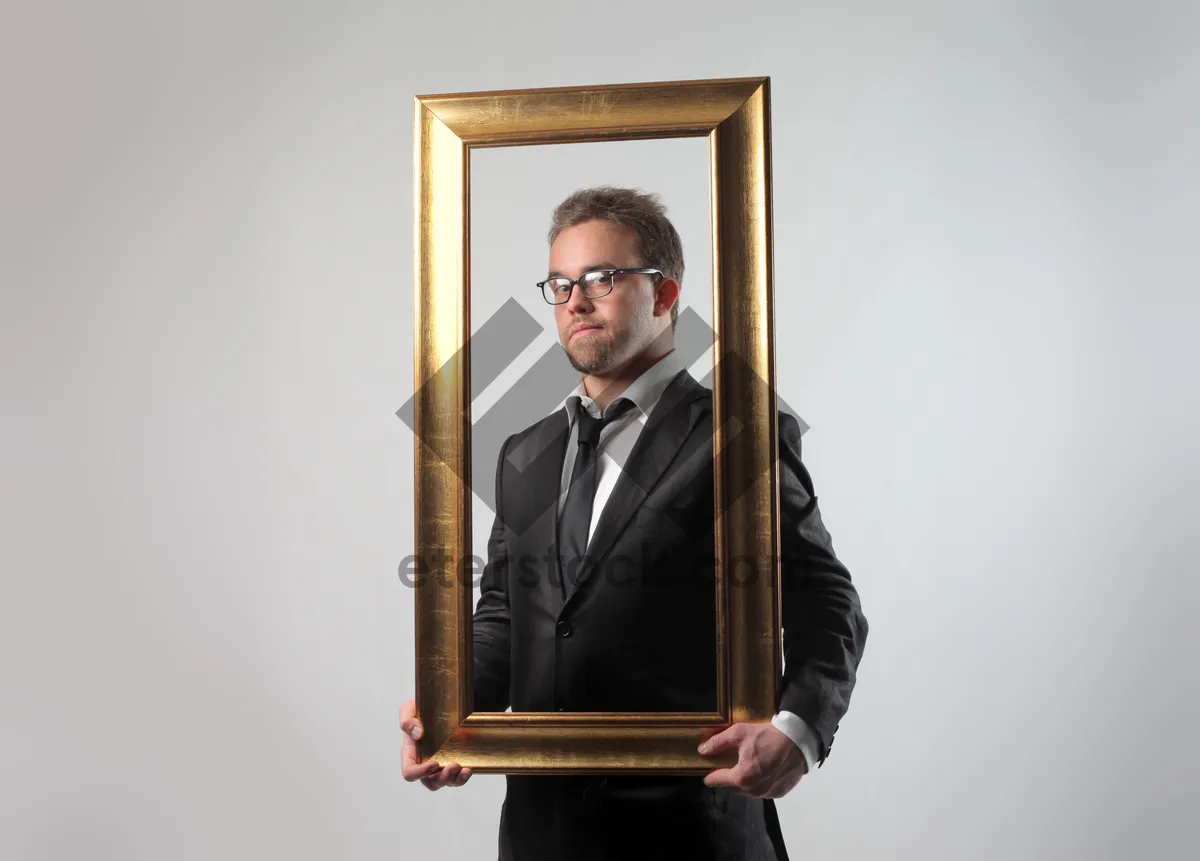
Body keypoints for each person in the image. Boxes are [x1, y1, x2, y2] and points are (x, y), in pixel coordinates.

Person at [400, 186, 868, 860]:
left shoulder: (738, 434)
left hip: (694, 831)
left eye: (602, 278)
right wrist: (444, 707)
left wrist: (798, 731)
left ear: (666, 295)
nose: (576, 301)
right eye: (560, 284)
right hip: (543, 836)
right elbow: (505, 614)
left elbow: (828, 601)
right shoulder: (523, 451)